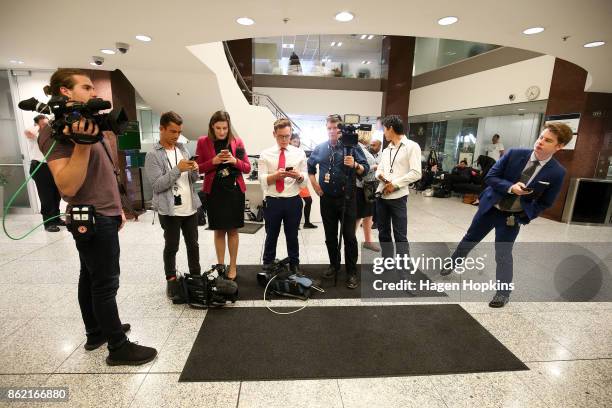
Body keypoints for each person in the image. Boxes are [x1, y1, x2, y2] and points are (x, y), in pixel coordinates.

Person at [38, 68, 156, 365]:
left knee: (89, 276)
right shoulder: (55, 132)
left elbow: (105, 172)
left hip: (103, 212)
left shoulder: (88, 123)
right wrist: (81, 145)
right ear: (65, 91)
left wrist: (118, 208)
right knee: (105, 283)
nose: (95, 92)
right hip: (90, 217)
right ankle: (118, 347)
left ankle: (97, 332)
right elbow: (67, 186)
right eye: (87, 87)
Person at [441, 123, 572, 308]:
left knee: (503, 253)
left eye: (548, 140)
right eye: (541, 137)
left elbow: (546, 202)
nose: (541, 142)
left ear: (559, 146)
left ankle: (503, 293)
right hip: (490, 208)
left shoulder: (557, 172)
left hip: (512, 217)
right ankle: (455, 261)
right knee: (470, 238)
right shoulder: (514, 154)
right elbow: (490, 177)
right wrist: (511, 187)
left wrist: (525, 215)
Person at [307, 114, 369, 289]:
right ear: (326, 128)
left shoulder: (352, 146)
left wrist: (356, 165)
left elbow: (365, 170)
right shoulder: (319, 148)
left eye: (336, 128)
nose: (333, 131)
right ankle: (334, 265)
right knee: (330, 236)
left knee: (349, 236)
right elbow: (310, 167)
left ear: (341, 129)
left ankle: (351, 272)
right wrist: (315, 186)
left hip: (348, 199)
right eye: (329, 128)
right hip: (326, 199)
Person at [145, 111, 201, 299]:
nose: (176, 136)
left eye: (179, 132)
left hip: (189, 206)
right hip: (169, 210)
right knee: (172, 246)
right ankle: (171, 280)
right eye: (172, 131)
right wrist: (178, 169)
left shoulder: (182, 149)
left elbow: (192, 179)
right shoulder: (153, 155)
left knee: (193, 245)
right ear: (161, 129)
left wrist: (195, 170)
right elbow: (157, 185)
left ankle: (196, 277)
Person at [196, 110, 251, 280]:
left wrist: (234, 161)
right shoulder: (203, 142)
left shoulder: (237, 141)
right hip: (215, 192)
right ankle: (221, 266)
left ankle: (232, 266)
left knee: (233, 230)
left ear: (229, 127)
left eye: (224, 128)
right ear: (212, 127)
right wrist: (213, 161)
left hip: (234, 191)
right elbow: (197, 167)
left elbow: (247, 167)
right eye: (218, 128)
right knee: (219, 230)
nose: (221, 132)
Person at [259, 119, 308, 272]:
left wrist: (298, 176)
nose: (285, 140)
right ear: (274, 134)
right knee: (271, 235)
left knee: (292, 235)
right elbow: (261, 179)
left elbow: (304, 180)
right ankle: (267, 263)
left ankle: (294, 264)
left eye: (287, 136)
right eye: (281, 136)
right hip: (273, 200)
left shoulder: (299, 153)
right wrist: (275, 176)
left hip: (293, 201)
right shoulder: (265, 154)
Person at [375, 115, 422, 260]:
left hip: (398, 198)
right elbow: (378, 170)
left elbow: (416, 173)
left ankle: (403, 269)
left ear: (391, 128)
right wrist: (384, 180)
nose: (384, 133)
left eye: (384, 129)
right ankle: (387, 261)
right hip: (382, 196)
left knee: (400, 235)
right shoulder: (386, 150)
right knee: (383, 233)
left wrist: (394, 185)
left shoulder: (412, 146)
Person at [24, 114, 64, 232]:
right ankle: (48, 223)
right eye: (44, 124)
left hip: (53, 166)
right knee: (46, 196)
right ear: (36, 124)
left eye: (48, 124)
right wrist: (39, 126)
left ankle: (56, 218)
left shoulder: (51, 135)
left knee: (56, 194)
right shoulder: (34, 134)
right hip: (40, 167)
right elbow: (28, 131)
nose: (47, 126)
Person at [355, 130, 380, 252]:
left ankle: (368, 241)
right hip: (361, 188)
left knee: (368, 215)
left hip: (367, 188)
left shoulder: (361, 148)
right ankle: (351, 240)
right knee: (359, 216)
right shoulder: (359, 149)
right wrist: (375, 167)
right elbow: (362, 169)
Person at [290, 134, 317, 229]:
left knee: (309, 201)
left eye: (297, 142)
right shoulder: (287, 152)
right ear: (290, 141)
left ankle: (307, 223)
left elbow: (304, 166)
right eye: (294, 141)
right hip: (291, 181)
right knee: (296, 204)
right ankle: (295, 224)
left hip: (301, 179)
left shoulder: (301, 152)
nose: (296, 144)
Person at [369, 138, 383, 229]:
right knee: (369, 202)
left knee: (378, 203)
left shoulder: (383, 156)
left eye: (374, 145)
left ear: (380, 146)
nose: (371, 147)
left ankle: (376, 222)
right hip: (369, 181)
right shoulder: (367, 155)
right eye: (371, 145)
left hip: (379, 182)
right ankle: (368, 220)